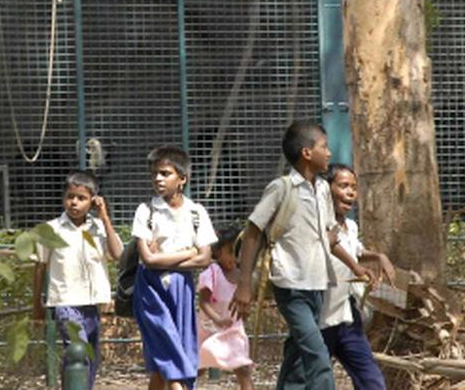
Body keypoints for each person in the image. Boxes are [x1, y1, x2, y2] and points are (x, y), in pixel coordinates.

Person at [231, 121, 370, 390]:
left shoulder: (321, 191)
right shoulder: (282, 188)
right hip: (291, 286)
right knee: (318, 356)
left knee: (296, 359)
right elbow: (253, 231)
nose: (329, 153)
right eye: (324, 147)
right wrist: (244, 283)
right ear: (307, 153)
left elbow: (329, 238)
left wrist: (356, 267)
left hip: (317, 286)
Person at [132, 145, 216, 390]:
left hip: (182, 289)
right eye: (155, 174)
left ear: (182, 179)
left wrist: (167, 257)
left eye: (165, 173)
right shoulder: (146, 211)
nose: (158, 178)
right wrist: (189, 252)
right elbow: (148, 259)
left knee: (164, 360)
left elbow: (204, 259)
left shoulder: (196, 212)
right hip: (150, 289)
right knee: (168, 345)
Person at [31, 171, 123, 390]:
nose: (74, 202)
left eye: (81, 198)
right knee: (77, 350)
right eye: (70, 196)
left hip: (91, 303)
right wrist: (36, 304)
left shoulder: (98, 228)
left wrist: (105, 217)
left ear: (93, 201)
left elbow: (117, 253)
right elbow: (39, 267)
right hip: (65, 302)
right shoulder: (51, 229)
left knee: (90, 356)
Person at [320, 164, 394, 390]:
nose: (351, 192)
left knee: (371, 380)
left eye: (353, 187)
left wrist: (379, 256)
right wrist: (356, 268)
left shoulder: (350, 226)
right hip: (320, 314)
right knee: (313, 378)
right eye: (343, 186)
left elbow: (357, 250)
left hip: (347, 315)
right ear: (326, 189)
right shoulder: (319, 224)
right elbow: (332, 248)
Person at [196, 226, 253, 390]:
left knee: (243, 368)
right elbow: (204, 302)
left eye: (239, 252)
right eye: (230, 251)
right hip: (209, 329)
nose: (235, 257)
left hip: (233, 329)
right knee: (198, 368)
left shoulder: (243, 276)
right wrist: (218, 319)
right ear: (218, 252)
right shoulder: (212, 272)